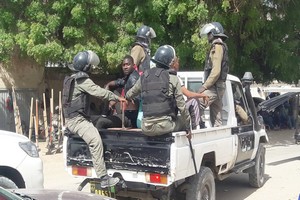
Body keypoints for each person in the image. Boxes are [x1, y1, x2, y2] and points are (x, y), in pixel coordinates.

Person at [62, 50, 127, 188]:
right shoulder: (82, 80)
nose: (92, 68)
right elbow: (99, 92)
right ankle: (104, 178)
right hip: (77, 120)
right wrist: (117, 97)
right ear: (86, 67)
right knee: (95, 140)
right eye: (90, 66)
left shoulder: (71, 78)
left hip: (73, 118)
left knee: (98, 121)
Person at [125, 45, 191, 136]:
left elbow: (128, 94)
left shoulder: (144, 77)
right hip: (166, 126)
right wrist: (188, 127)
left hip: (146, 127)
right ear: (170, 62)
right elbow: (182, 108)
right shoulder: (173, 79)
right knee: (183, 122)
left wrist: (130, 99)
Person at [198, 22, 229, 127]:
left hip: (215, 87)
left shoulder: (217, 46)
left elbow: (216, 71)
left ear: (213, 33)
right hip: (218, 87)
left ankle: (200, 126)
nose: (208, 36)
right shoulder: (219, 46)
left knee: (197, 102)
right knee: (216, 118)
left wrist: (204, 86)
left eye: (209, 34)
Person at [169, 57, 208, 129]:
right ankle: (196, 127)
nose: (178, 65)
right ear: (174, 64)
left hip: (165, 111)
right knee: (194, 101)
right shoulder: (175, 78)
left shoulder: (161, 77)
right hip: (174, 110)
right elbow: (188, 94)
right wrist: (201, 95)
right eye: (178, 63)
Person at [104, 55, 140, 128]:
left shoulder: (134, 79)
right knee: (112, 88)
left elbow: (136, 100)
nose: (125, 67)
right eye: (123, 65)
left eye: (128, 64)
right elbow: (120, 82)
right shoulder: (129, 76)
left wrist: (116, 100)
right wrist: (108, 84)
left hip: (131, 116)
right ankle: (105, 113)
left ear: (133, 65)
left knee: (102, 122)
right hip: (127, 113)